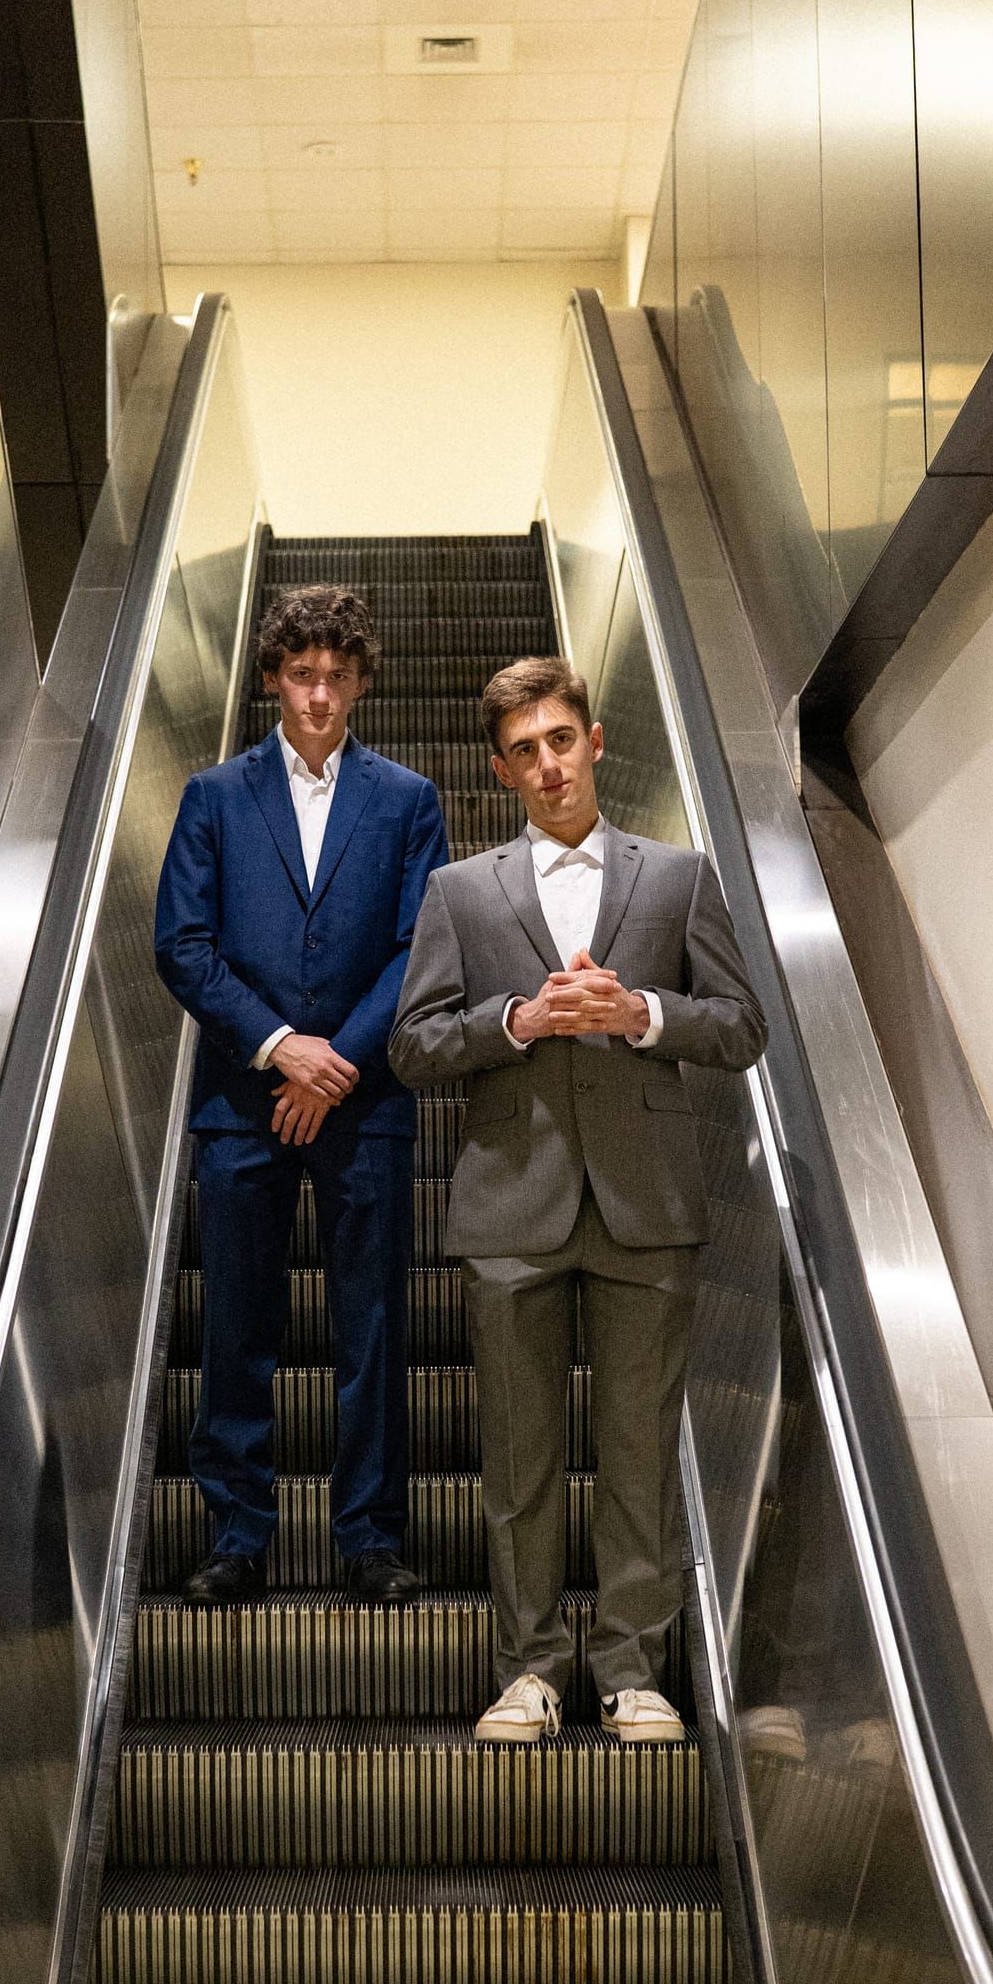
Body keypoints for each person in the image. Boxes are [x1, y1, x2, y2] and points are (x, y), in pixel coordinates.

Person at [389, 655, 767, 1742]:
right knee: (518, 1461)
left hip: (647, 1205)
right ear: (500, 770)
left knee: (639, 1452)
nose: (547, 764)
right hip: (511, 1206)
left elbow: (740, 1028)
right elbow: (413, 1046)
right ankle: (529, 1673)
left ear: (594, 742)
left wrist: (638, 1011)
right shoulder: (459, 890)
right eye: (523, 751)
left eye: (561, 740)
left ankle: (633, 1672)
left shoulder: (680, 876)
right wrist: (516, 1023)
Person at [155, 584, 449, 1605]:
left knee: (372, 1327)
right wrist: (284, 1050)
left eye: (338, 676)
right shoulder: (213, 797)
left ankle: (370, 1539)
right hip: (245, 1100)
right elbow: (181, 947)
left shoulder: (409, 801)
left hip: (364, 1104)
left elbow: (421, 948)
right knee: (237, 1322)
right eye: (302, 674)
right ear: (272, 677)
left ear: (360, 682)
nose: (320, 695)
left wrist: (339, 1066)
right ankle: (237, 1536)